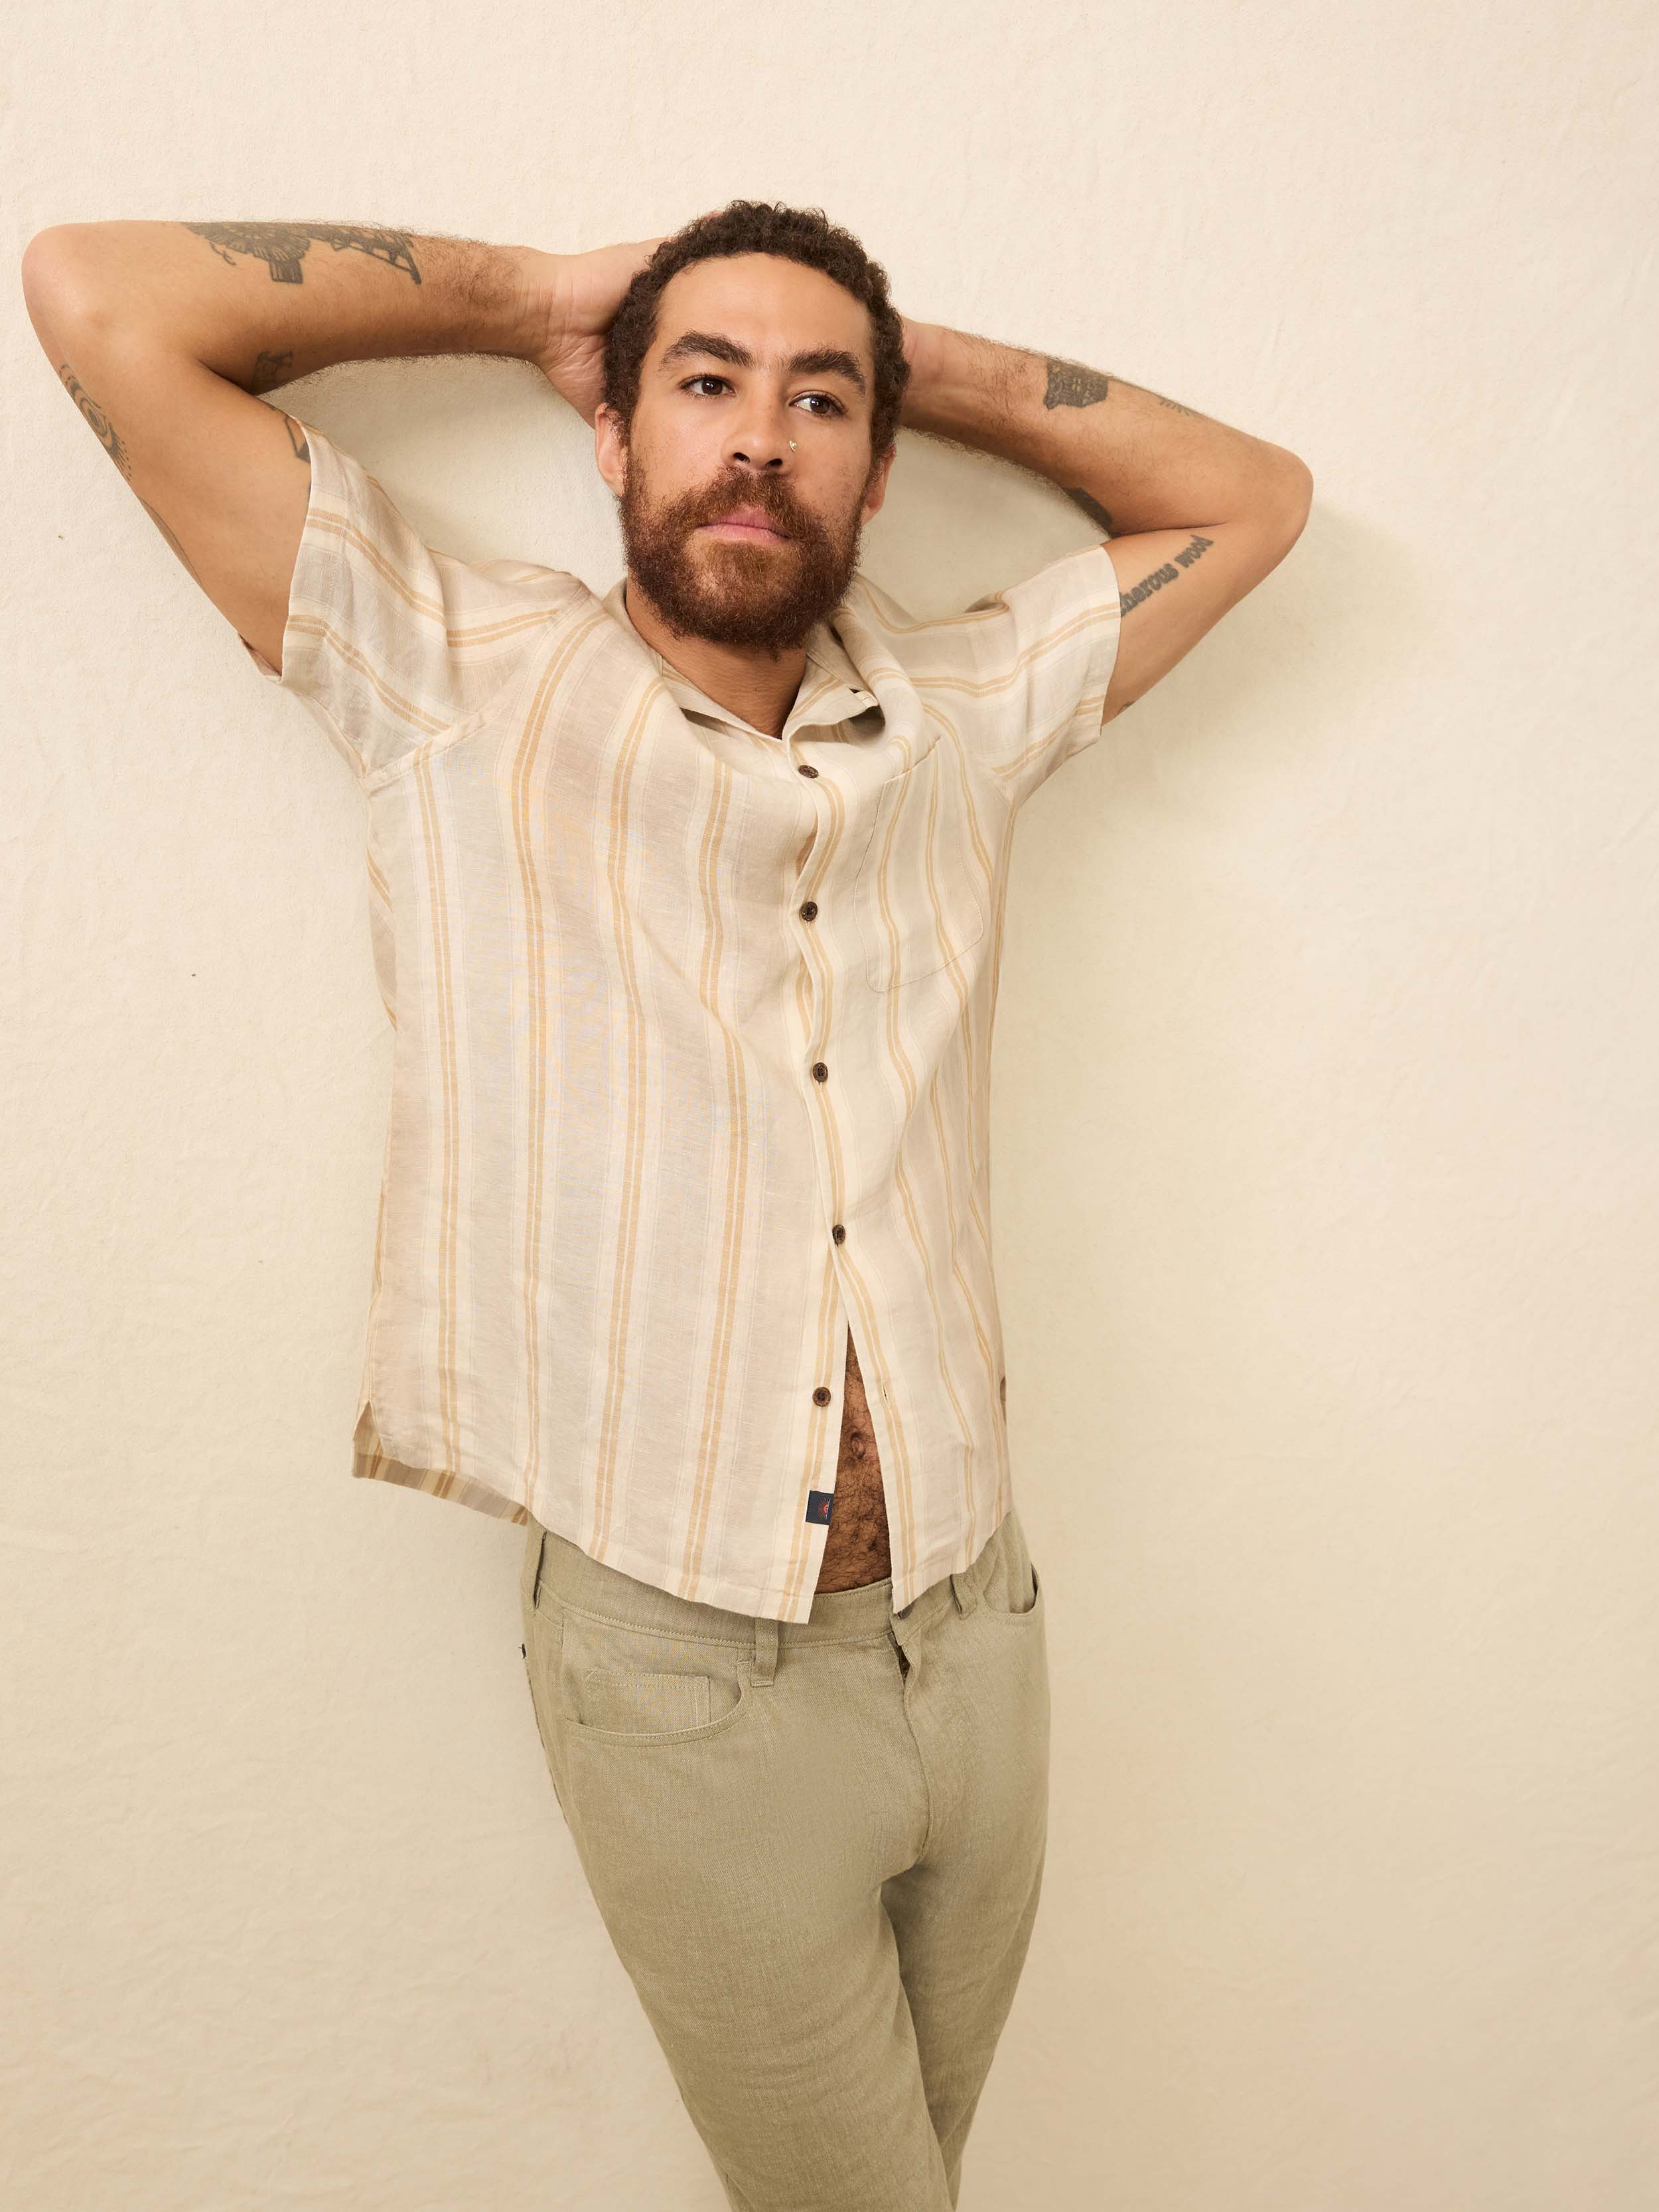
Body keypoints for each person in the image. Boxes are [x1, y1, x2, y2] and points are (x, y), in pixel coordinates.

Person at [23, 199, 1311, 2210]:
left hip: (981, 1630)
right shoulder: (452, 677)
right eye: (701, 385)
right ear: (610, 431)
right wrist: (558, 302)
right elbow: (98, 293)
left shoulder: (958, 723)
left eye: (817, 408)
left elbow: (1248, 496)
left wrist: (890, 363)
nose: (757, 442)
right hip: (690, 1670)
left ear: (873, 467)